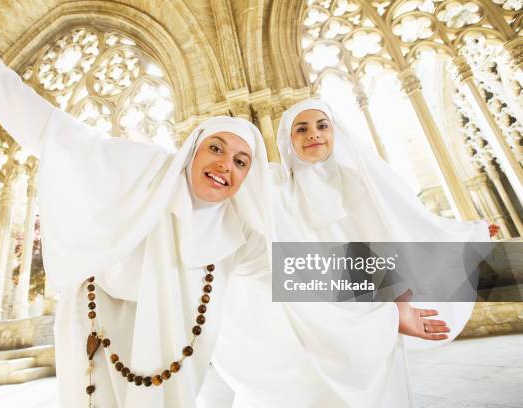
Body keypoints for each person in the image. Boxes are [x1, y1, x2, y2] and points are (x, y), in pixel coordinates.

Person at [0, 29, 272, 408]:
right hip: (99, 340)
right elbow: (57, 136)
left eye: (241, 161)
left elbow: (289, 268)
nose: (226, 164)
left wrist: (365, 273)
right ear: (192, 151)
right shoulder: (142, 170)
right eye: (216, 148)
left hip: (172, 370)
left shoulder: (236, 233)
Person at [210, 98, 495, 408]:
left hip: (367, 319)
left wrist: (468, 235)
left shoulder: (360, 182)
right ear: (287, 141)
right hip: (309, 320)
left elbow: (397, 234)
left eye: (322, 126)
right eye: (300, 129)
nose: (313, 135)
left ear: (335, 131)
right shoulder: (277, 186)